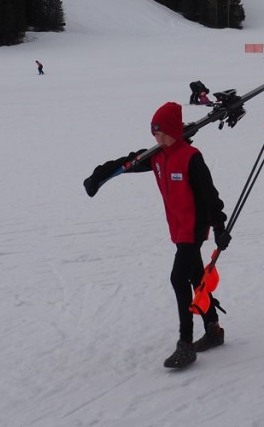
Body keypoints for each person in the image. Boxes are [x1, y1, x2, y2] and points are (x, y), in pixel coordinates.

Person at [83, 101, 231, 369]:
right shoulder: (156, 156)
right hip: (177, 228)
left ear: (176, 131)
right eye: (155, 134)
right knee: (196, 278)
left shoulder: (191, 157)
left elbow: (210, 195)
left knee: (178, 278)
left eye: (164, 134)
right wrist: (98, 175)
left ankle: (185, 344)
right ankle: (213, 329)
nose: (159, 139)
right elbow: (126, 163)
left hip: (193, 228)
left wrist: (219, 226)